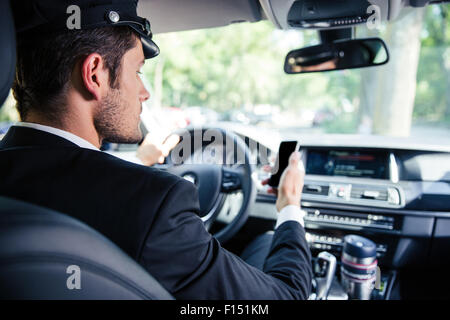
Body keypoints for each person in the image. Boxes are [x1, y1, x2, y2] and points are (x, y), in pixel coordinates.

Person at [0, 0, 312, 299]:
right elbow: (287, 295)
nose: (145, 92)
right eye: (137, 72)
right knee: (267, 240)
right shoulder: (157, 203)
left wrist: (139, 165)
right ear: (94, 74)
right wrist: (289, 206)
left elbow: (79, 188)